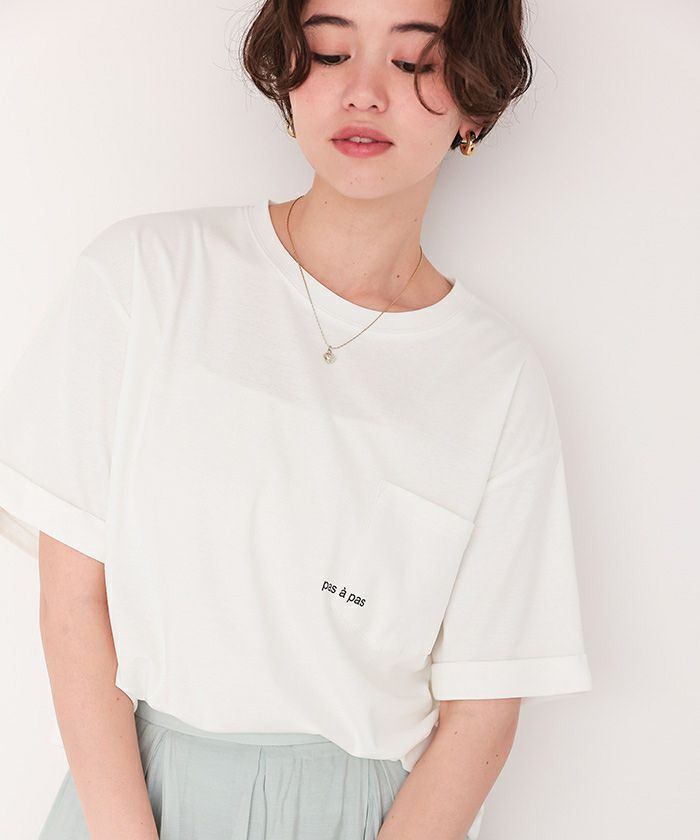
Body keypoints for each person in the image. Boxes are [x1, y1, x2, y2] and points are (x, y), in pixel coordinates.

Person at [0, 1, 593, 838]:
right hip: (132, 800)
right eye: (330, 50)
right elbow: (72, 601)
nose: (363, 92)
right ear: (288, 68)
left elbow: (484, 708)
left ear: (475, 98)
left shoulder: (496, 382)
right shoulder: (146, 278)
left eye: (414, 63)